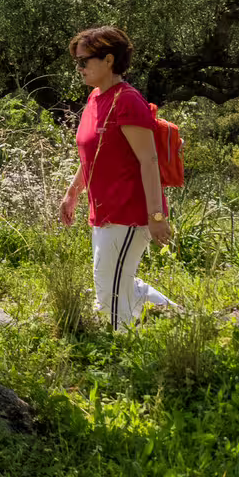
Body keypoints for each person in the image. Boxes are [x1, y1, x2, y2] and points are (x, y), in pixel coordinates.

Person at [58, 26, 175, 328]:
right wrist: (73, 193)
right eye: (77, 62)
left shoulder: (127, 101)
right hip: (104, 212)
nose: (79, 68)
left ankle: (121, 351)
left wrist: (157, 215)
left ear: (108, 60)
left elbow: (148, 161)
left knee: (108, 288)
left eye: (84, 61)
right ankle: (179, 318)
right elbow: (92, 156)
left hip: (130, 213)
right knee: (115, 281)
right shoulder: (95, 100)